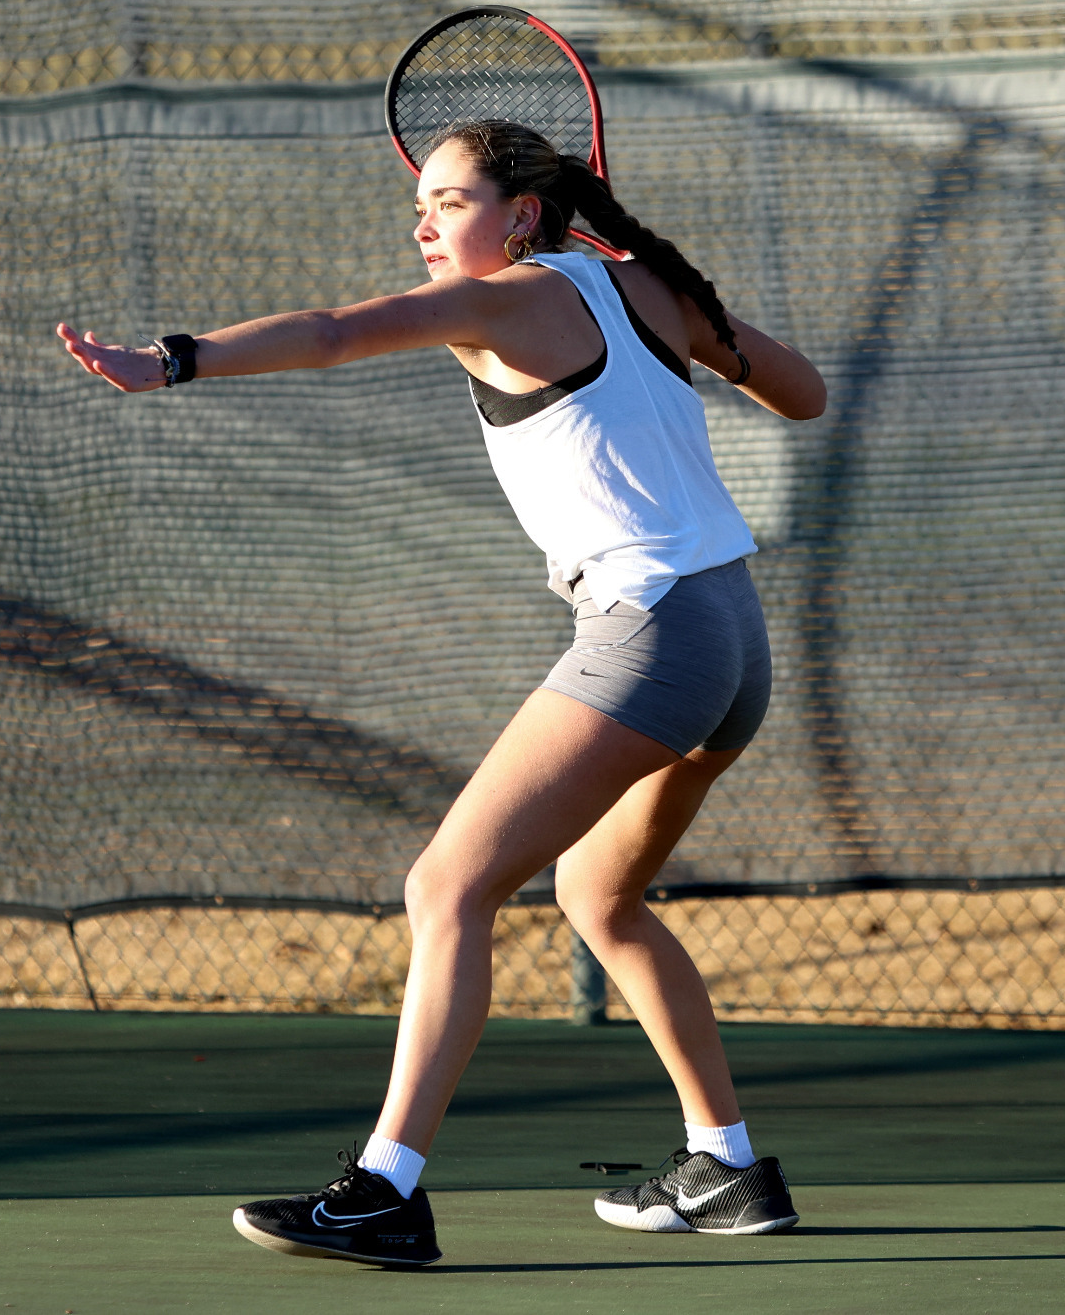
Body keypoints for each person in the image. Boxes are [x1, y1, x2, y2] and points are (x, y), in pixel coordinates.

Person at [58, 119, 826, 1267]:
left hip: (654, 634)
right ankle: (722, 1163)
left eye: (448, 200)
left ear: (520, 213)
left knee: (445, 886)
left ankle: (383, 1189)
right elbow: (803, 395)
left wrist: (171, 358)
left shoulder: (504, 301)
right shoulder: (639, 286)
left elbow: (329, 334)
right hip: (732, 639)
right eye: (418, 203)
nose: (422, 223)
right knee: (598, 899)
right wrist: (662, 308)